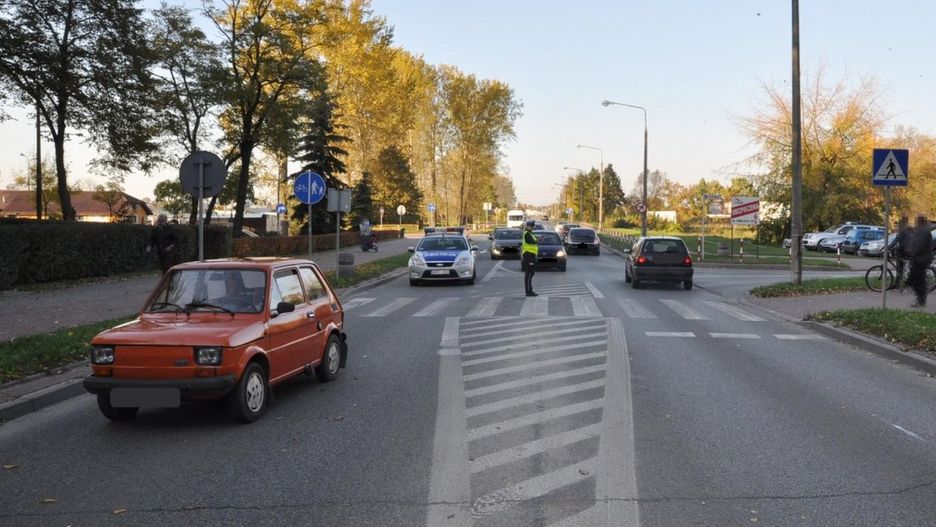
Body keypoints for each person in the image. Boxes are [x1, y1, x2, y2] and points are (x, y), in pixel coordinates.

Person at [906, 215, 933, 307]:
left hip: (921, 259)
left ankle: (921, 298)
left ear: (920, 222)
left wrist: (911, 252)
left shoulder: (924, 232)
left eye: (917, 221)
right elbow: (915, 243)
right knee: (920, 280)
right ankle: (921, 300)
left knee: (911, 279)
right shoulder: (921, 231)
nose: (915, 223)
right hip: (919, 259)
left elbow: (919, 246)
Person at [521, 219, 539, 297]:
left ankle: (530, 290)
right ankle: (528, 291)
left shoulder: (530, 233)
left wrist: (536, 239)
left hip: (531, 255)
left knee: (531, 273)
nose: (532, 227)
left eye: (532, 226)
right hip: (528, 255)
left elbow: (534, 240)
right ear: (527, 226)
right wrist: (537, 240)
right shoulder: (527, 233)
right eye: (531, 226)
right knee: (529, 273)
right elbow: (531, 241)